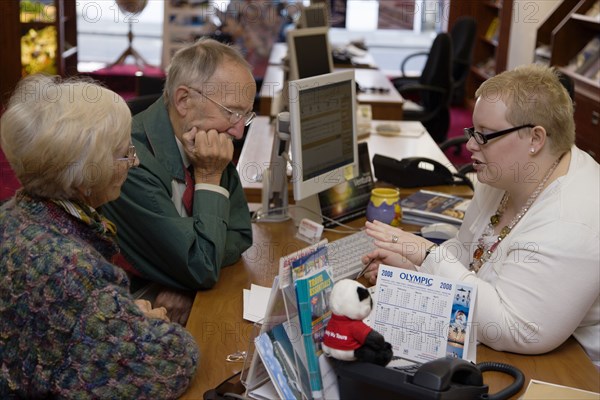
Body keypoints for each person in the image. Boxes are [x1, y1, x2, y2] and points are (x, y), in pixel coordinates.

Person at [361, 64, 599, 364]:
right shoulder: (505, 174)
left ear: (536, 139)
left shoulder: (572, 221)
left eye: (485, 135)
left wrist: (429, 256)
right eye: (473, 131)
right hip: (514, 343)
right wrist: (412, 268)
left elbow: (513, 329)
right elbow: (467, 258)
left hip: (573, 368)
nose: (471, 145)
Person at [0, 74, 199, 397]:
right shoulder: (72, 268)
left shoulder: (14, 215)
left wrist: (124, 316)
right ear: (84, 174)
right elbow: (173, 363)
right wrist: (145, 322)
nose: (133, 163)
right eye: (124, 154)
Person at [101, 38, 255, 323]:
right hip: (123, 306)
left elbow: (241, 234)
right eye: (232, 112)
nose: (238, 132)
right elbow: (202, 267)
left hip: (169, 288)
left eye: (245, 115)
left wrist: (184, 277)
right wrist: (209, 176)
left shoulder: (207, 141)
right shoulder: (129, 161)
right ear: (184, 100)